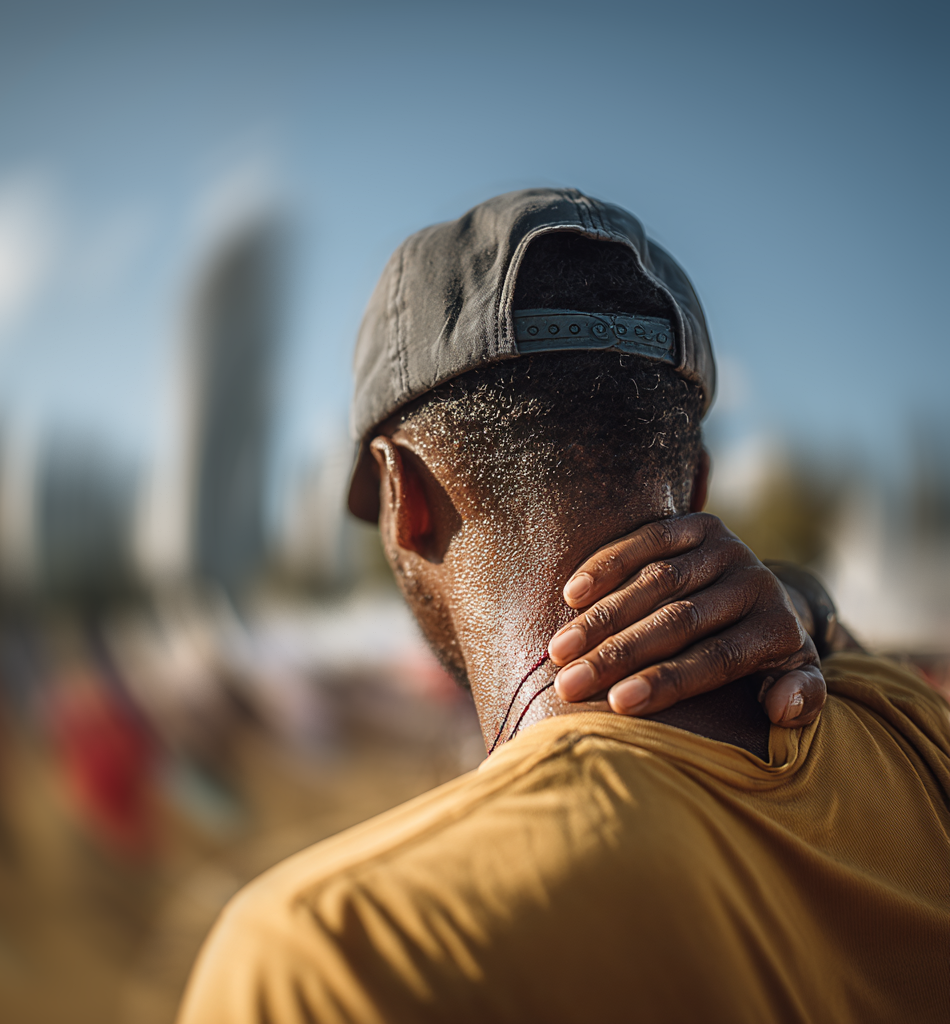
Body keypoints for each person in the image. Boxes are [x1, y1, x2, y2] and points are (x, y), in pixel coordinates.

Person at [178, 189, 950, 1023]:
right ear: (695, 485)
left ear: (404, 498)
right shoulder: (914, 735)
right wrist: (810, 604)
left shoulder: (332, 959)